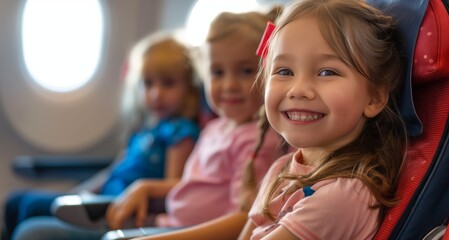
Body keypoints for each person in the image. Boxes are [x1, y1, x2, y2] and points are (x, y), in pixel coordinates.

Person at [11, 6, 285, 240]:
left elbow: (246, 220)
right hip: (163, 223)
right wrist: (147, 188)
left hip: (179, 232)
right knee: (27, 219)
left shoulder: (257, 141)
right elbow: (192, 189)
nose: (229, 85)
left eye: (246, 71)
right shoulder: (215, 129)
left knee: (34, 232)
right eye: (217, 72)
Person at [236, 0, 409, 239]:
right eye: (284, 71)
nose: (298, 90)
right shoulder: (282, 168)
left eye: (327, 72)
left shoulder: (341, 196)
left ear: (374, 98)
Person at [6, 33, 201, 240]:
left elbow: (173, 192)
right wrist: (76, 194)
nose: (156, 94)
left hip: (117, 210)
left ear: (189, 88)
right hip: (99, 199)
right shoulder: (145, 131)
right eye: (148, 83)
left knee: (31, 210)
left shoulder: (180, 132)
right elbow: (112, 172)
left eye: (168, 84)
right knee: (15, 202)